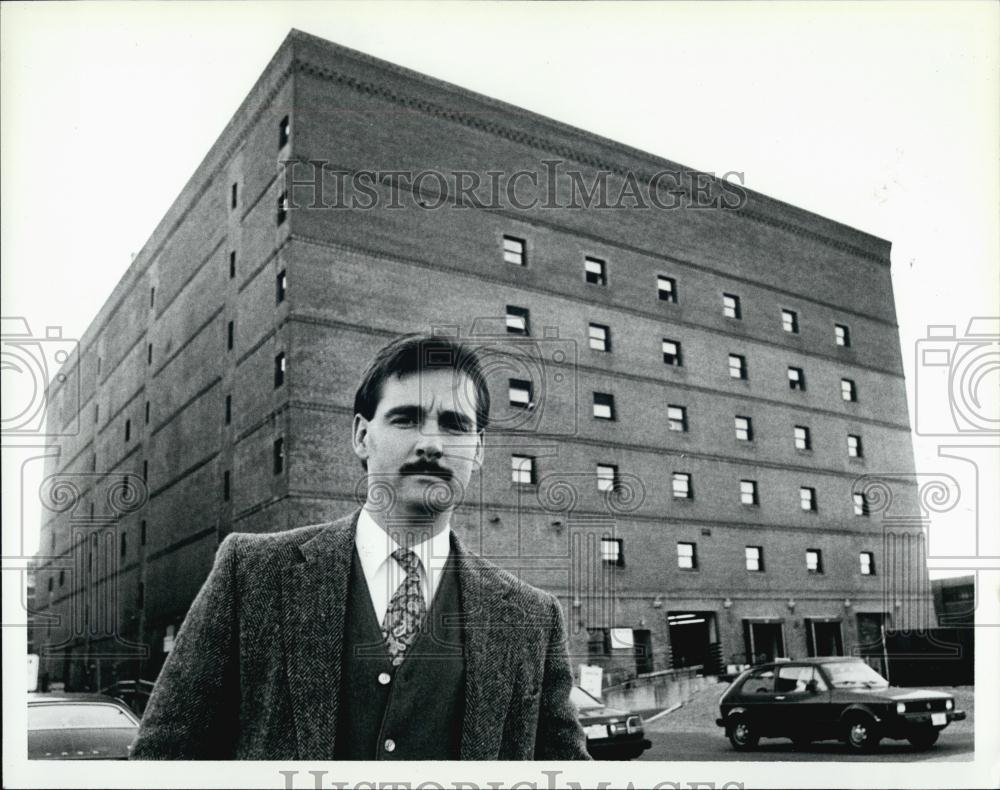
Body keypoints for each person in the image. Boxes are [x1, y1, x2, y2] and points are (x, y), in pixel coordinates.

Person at [131, 333, 589, 760]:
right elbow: (162, 759)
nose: (430, 443)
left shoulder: (532, 618)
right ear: (361, 436)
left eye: (454, 425)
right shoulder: (251, 574)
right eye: (406, 418)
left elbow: (568, 774)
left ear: (480, 448)